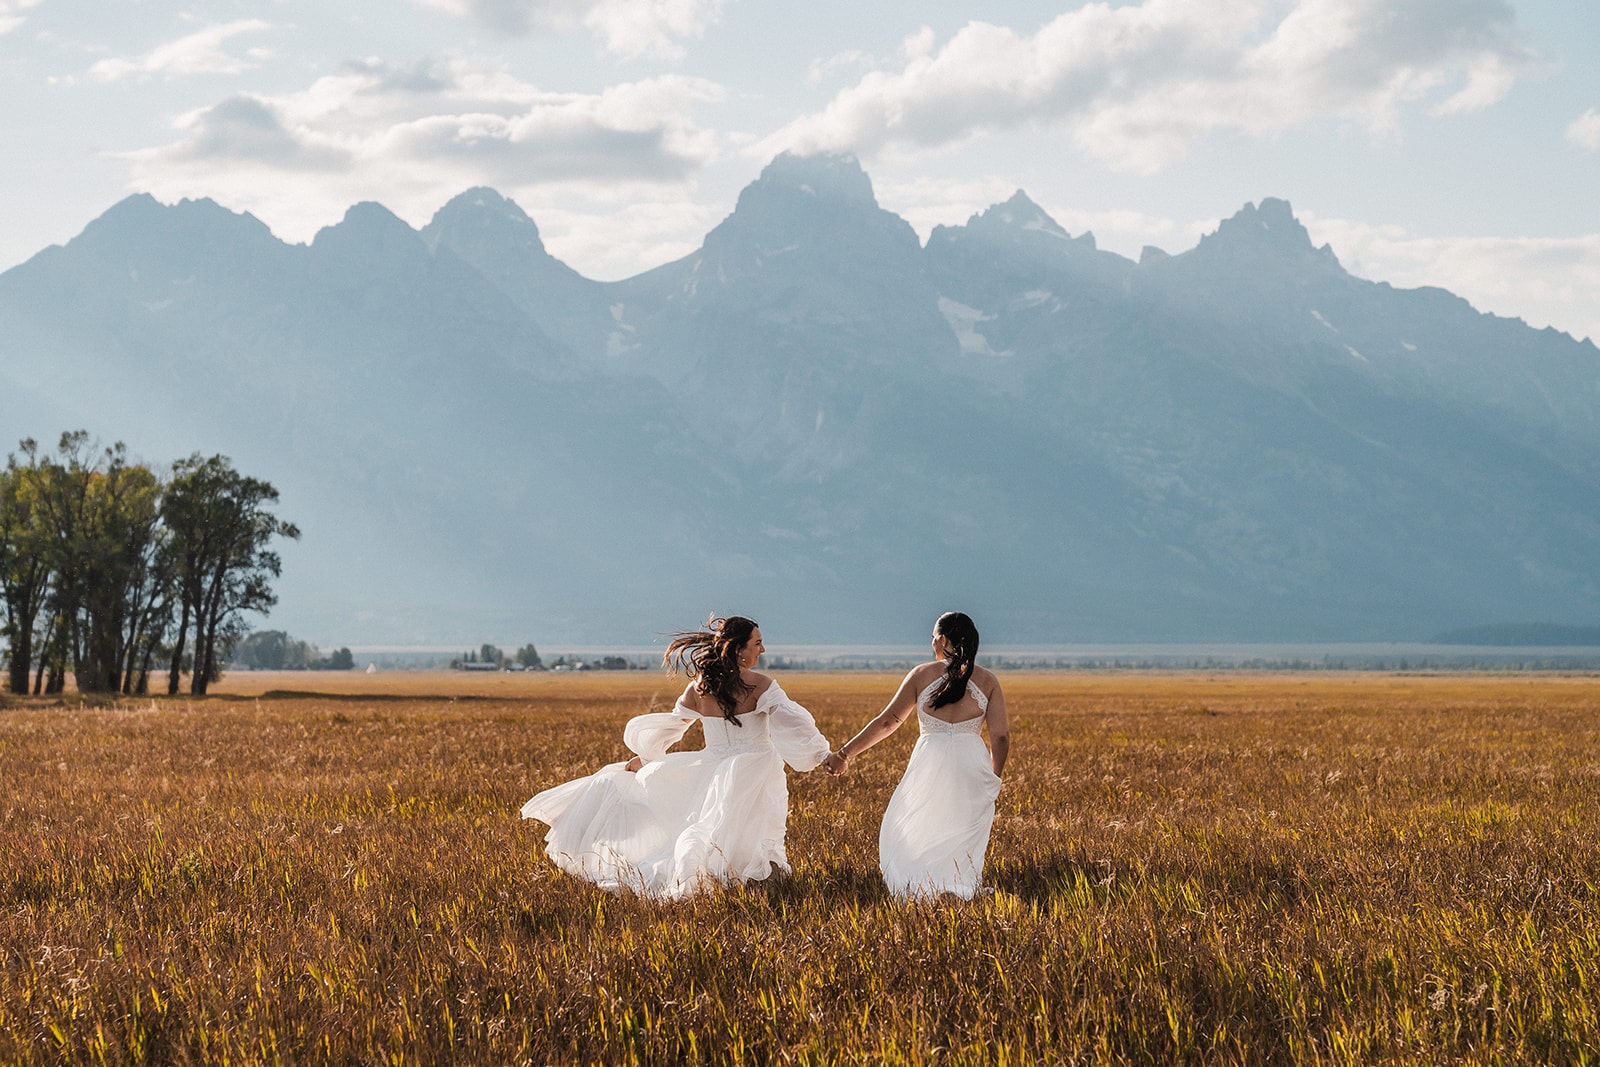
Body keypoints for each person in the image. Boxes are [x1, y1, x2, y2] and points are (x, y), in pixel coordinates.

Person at [521, 615, 839, 899]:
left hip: (713, 768)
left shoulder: (699, 688)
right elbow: (792, 723)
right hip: (755, 767)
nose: (763, 650)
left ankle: (731, 878)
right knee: (748, 828)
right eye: (758, 643)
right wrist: (823, 754)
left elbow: (672, 729)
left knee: (714, 825)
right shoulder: (761, 686)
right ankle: (740, 880)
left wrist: (643, 759)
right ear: (739, 648)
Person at [826, 612, 1009, 900]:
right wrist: (993, 778)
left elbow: (887, 723)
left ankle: (927, 887)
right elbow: (1000, 737)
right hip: (972, 765)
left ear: (943, 640)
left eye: (933, 637)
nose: (931, 643)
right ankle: (958, 887)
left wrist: (845, 753)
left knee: (917, 824)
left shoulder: (922, 675)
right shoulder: (987, 680)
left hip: (930, 761)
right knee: (961, 830)